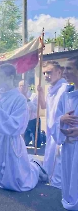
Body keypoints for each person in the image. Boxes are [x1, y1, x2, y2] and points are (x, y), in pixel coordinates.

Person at [0, 63, 47, 192]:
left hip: (10, 140)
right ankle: (30, 164)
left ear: (12, 77)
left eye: (1, 77)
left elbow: (17, 125)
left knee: (16, 182)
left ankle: (36, 168)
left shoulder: (19, 99)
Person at [38, 60, 71, 189]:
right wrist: (40, 92)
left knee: (59, 160)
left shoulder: (65, 89)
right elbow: (44, 106)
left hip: (60, 131)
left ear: (59, 71)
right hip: (51, 130)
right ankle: (50, 178)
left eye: (49, 72)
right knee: (50, 158)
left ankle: (57, 186)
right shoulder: (51, 88)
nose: (46, 75)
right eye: (44, 73)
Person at [54, 55, 78, 210]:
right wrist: (61, 120)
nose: (65, 71)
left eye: (69, 68)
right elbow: (57, 118)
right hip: (69, 146)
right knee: (70, 178)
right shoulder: (66, 95)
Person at [18, 80, 41, 147]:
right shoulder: (18, 97)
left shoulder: (33, 96)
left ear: (27, 87)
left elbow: (35, 109)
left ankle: (42, 136)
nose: (22, 87)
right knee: (24, 143)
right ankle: (28, 136)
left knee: (37, 145)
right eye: (21, 86)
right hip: (23, 121)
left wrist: (27, 98)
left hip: (33, 120)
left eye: (24, 86)